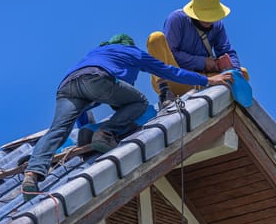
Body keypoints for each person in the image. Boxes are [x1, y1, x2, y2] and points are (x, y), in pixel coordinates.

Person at [21, 33, 233, 200]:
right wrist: (208, 81)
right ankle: (106, 133)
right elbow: (170, 71)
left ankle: (32, 175)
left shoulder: (95, 53)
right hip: (98, 79)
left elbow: (83, 105)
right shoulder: (133, 53)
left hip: (67, 85)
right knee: (139, 102)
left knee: (58, 130)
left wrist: (86, 128)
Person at [147, 0, 247, 103]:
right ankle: (165, 93)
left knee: (242, 74)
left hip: (203, 80)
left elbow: (227, 51)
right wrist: (203, 62)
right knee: (156, 38)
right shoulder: (177, 19)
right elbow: (171, 54)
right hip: (174, 77)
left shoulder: (217, 25)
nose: (209, 20)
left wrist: (233, 71)